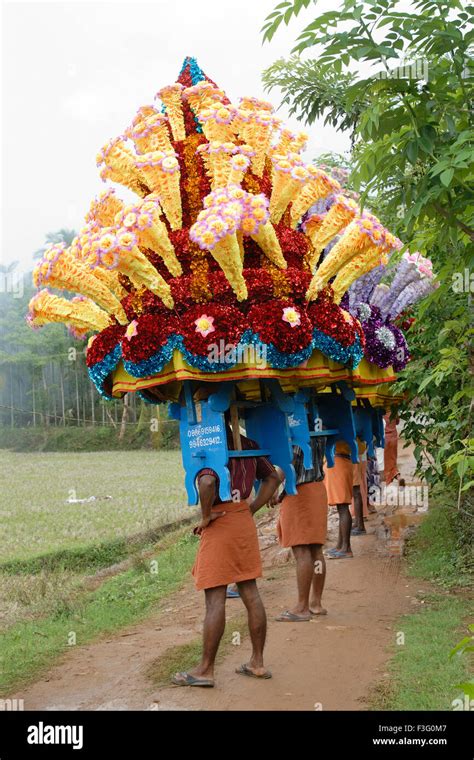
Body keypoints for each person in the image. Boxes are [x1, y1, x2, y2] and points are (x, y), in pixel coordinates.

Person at [172, 417, 281, 688]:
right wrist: (252, 507)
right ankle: (257, 662)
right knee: (250, 592)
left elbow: (208, 482)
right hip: (242, 520)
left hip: (220, 523)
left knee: (215, 599)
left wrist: (206, 515)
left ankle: (205, 670)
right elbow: (275, 475)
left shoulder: (209, 446)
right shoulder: (248, 444)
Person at [272, 437, 328, 622]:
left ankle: (302, 607)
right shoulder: (317, 426)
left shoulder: (296, 431)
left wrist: (270, 489)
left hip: (300, 493)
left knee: (302, 550)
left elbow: (289, 464)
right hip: (317, 490)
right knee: (315, 549)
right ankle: (316, 603)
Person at [325, 441, 354, 559]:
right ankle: (340, 545)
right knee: (341, 507)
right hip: (341, 461)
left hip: (338, 462)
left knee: (343, 507)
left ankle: (346, 548)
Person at [351, 439, 369, 535]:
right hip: (360, 453)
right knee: (359, 486)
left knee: (356, 489)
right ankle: (358, 522)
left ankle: (360, 524)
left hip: (355, 455)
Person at [384, 413, 400, 485]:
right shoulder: (393, 410)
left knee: (386, 464)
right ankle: (397, 475)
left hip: (385, 438)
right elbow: (397, 422)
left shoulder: (380, 411)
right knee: (393, 460)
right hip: (394, 438)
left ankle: (388, 483)